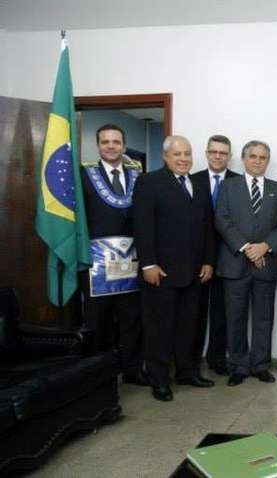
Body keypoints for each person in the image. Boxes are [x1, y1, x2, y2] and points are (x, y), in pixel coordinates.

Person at [133, 135, 216, 401]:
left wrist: (208, 261)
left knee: (188, 326)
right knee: (160, 328)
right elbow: (142, 225)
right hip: (161, 271)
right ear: (166, 157)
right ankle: (159, 380)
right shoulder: (149, 182)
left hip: (194, 272)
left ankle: (187, 372)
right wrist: (148, 263)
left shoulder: (199, 185)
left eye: (187, 154)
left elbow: (207, 227)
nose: (183, 159)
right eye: (177, 154)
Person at [215, 141, 277, 386]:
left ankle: (260, 365)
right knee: (235, 318)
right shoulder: (228, 186)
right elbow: (222, 219)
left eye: (262, 157)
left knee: (264, 317)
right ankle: (238, 365)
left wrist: (266, 246)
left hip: (265, 264)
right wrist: (247, 248)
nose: (258, 161)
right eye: (253, 156)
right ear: (244, 158)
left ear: (267, 161)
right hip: (235, 262)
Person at [79, 123, 145, 385]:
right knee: (99, 321)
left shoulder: (137, 175)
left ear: (123, 146)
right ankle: (99, 374)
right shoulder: (84, 175)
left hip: (131, 258)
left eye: (116, 142)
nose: (110, 146)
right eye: (105, 142)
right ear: (98, 146)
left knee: (132, 318)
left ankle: (132, 370)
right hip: (98, 263)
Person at [191, 135, 240, 376]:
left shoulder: (240, 182)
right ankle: (190, 360)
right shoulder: (191, 180)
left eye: (223, 153)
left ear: (230, 156)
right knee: (195, 311)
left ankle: (218, 358)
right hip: (197, 257)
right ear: (207, 153)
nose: (218, 156)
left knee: (222, 311)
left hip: (230, 256)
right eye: (213, 152)